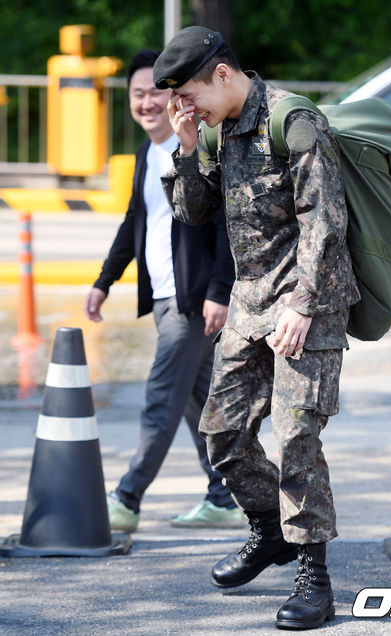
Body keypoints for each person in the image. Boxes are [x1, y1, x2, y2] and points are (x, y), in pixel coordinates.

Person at [154, 27, 360, 630]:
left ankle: (312, 576)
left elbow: (325, 220)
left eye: (190, 94)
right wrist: (188, 145)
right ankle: (270, 529)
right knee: (221, 433)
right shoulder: (214, 130)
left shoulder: (293, 120)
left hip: (307, 304)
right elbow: (193, 212)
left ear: (222, 74)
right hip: (249, 304)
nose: (184, 106)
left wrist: (302, 303)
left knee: (297, 439)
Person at [84, 49, 243, 533]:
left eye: (156, 92)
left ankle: (127, 498)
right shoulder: (144, 154)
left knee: (160, 400)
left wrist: (220, 288)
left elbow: (223, 225)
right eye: (137, 94)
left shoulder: (194, 147)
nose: (146, 102)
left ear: (174, 96)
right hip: (162, 299)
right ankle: (223, 496)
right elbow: (136, 220)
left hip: (190, 299)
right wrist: (105, 281)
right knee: (199, 403)